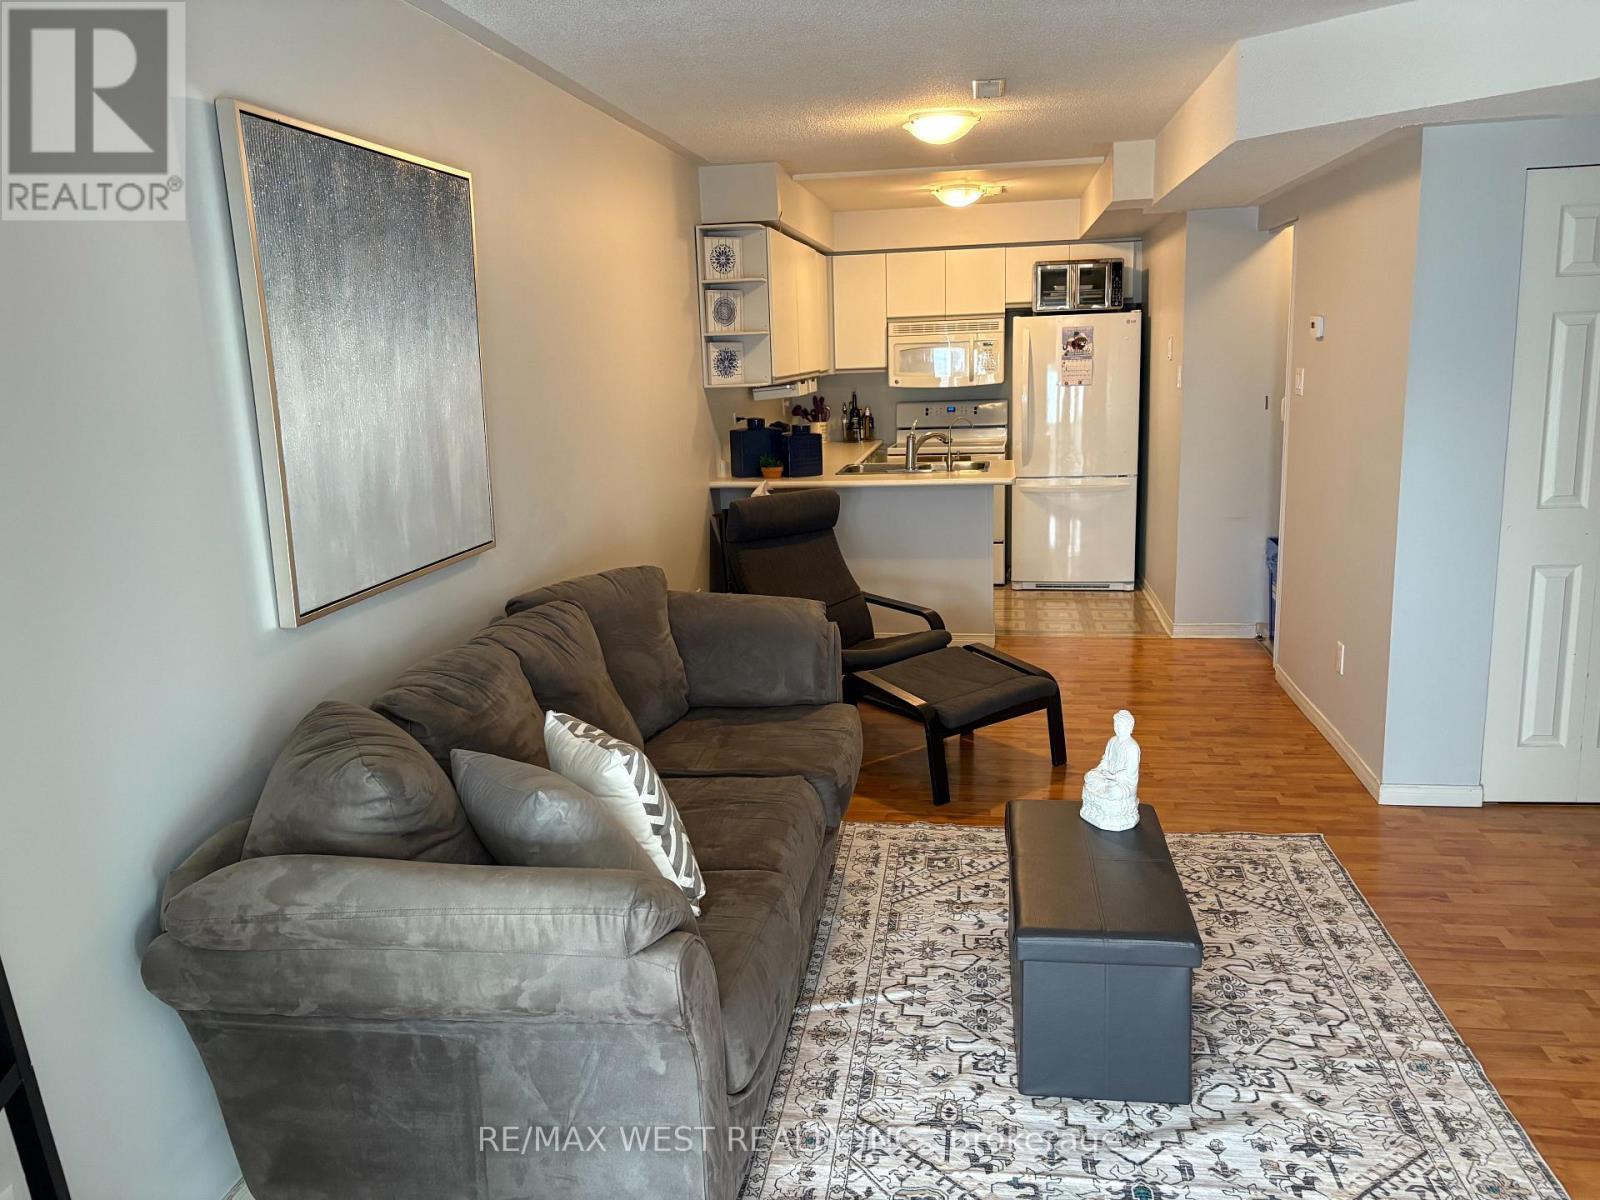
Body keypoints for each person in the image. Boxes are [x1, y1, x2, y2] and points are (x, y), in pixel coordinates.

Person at [1081, 709, 1140, 831]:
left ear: (1130, 727)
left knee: (1114, 793)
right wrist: (1100, 770)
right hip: (1107, 776)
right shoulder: (1112, 741)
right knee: (1089, 777)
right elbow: (1105, 760)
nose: (1118, 728)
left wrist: (1114, 777)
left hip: (1123, 783)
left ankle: (1109, 798)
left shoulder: (1132, 748)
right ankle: (1101, 795)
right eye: (1116, 724)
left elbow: (1130, 773)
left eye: (1121, 725)